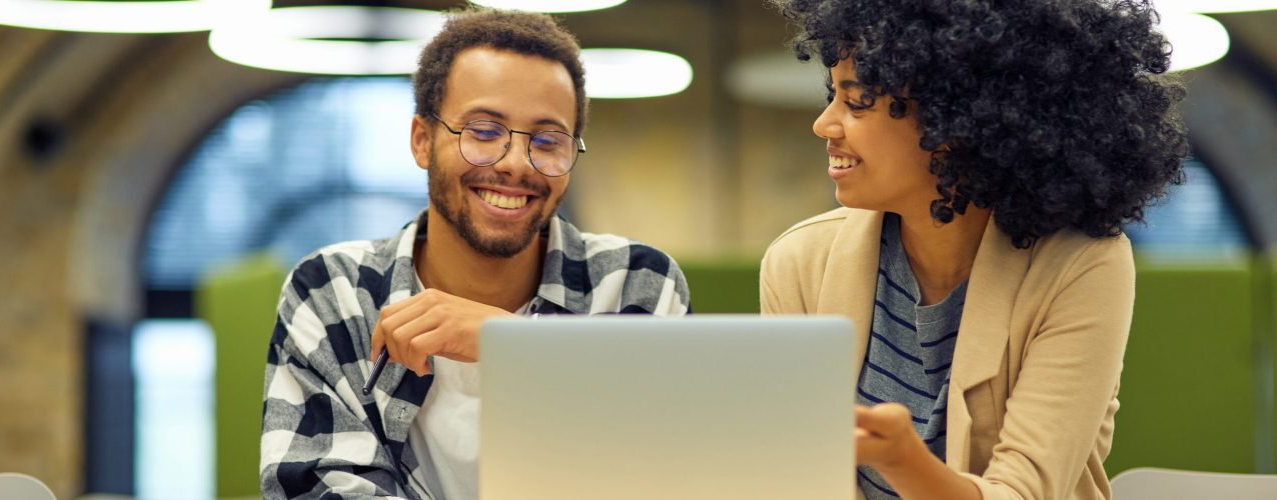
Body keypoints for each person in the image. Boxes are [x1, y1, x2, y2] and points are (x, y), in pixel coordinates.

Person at [761, 1, 1187, 499]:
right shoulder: (800, 262)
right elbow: (796, 479)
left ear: (954, 123)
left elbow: (1024, 492)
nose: (824, 125)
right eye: (832, 97)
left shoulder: (1080, 264)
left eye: (855, 103)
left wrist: (902, 460)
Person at [259, 8, 690, 499]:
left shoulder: (634, 283)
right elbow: (315, 489)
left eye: (548, 140)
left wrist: (510, 344)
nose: (514, 164)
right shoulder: (334, 291)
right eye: (484, 132)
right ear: (423, 141)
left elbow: (664, 473)